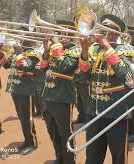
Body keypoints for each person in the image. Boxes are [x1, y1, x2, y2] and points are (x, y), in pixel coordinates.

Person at [79, 14, 134, 164]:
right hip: (94, 112)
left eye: (106, 30)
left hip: (115, 112)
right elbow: (84, 78)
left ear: (116, 34)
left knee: (118, 156)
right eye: (101, 29)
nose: (101, 32)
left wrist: (107, 46)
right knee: (92, 157)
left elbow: (123, 74)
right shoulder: (93, 50)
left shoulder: (125, 49)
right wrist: (84, 50)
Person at [41, 20, 79, 164]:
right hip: (48, 96)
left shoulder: (75, 50)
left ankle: (69, 161)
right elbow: (44, 68)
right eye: (60, 33)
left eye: (66, 33)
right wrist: (46, 50)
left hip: (63, 97)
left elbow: (64, 66)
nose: (62, 36)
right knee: (53, 130)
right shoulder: (55, 50)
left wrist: (56, 44)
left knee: (65, 132)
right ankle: (60, 158)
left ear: (72, 35)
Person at [0, 39, 39, 155]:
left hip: (25, 90)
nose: (20, 42)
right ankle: (27, 140)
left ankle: (32, 142)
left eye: (24, 39)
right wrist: (1, 52)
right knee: (22, 117)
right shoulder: (17, 54)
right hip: (15, 89)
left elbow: (26, 66)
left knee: (27, 118)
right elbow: (6, 65)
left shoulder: (33, 54)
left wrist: (19, 53)